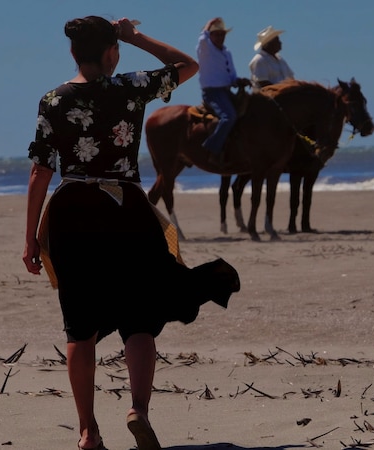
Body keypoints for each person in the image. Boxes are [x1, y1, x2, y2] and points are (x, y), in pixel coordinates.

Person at [22, 16, 240, 450]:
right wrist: (135, 36)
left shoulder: (52, 100)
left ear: (72, 53)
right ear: (111, 52)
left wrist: (30, 237)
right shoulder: (131, 87)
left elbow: (41, 171)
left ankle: (88, 432)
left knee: (79, 327)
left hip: (72, 211)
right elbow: (185, 65)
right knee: (139, 319)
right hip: (126, 207)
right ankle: (137, 408)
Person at [197, 17, 249, 164]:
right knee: (229, 117)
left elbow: (231, 75)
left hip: (225, 91)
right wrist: (209, 23)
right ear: (210, 35)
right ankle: (212, 149)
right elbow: (202, 38)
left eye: (222, 34)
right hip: (212, 92)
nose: (220, 37)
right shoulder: (205, 49)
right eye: (217, 34)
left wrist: (238, 81)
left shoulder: (227, 52)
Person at [248, 25, 295, 92]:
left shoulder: (280, 60)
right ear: (268, 44)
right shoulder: (259, 60)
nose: (280, 43)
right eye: (277, 40)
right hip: (268, 99)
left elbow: (291, 79)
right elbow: (263, 84)